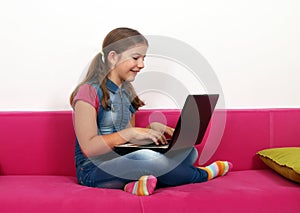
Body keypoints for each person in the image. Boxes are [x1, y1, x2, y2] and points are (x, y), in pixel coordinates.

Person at [70, 27, 232, 196]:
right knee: (145, 158)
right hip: (92, 171)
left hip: (122, 163)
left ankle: (132, 184)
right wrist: (131, 133)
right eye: (135, 58)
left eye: (143, 58)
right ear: (113, 57)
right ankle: (201, 174)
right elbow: (89, 148)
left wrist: (152, 130)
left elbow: (125, 146)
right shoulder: (88, 91)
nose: (141, 65)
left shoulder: (127, 92)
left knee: (189, 152)